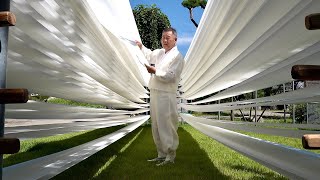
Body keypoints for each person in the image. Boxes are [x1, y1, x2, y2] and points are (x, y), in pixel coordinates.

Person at [136, 27, 184, 166]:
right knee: (156, 124)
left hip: (166, 94)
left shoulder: (178, 57)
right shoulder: (159, 53)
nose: (165, 40)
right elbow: (148, 54)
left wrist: (155, 71)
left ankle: (170, 156)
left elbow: (171, 76)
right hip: (155, 91)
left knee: (166, 124)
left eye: (168, 37)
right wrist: (140, 46)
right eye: (163, 37)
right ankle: (161, 154)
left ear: (175, 39)